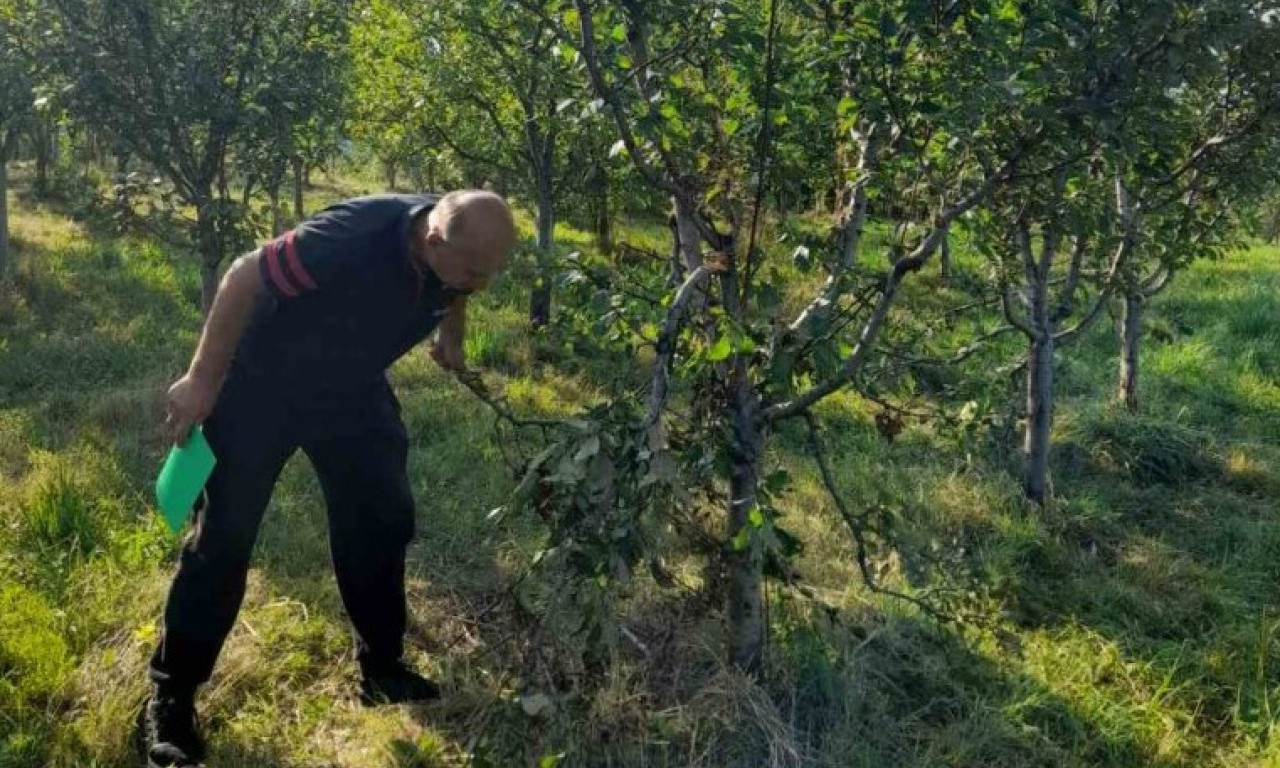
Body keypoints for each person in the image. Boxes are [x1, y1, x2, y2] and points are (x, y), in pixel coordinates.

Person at [140, 190, 516, 767]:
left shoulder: (454, 255)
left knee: (382, 517)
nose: (478, 285)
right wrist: (201, 380)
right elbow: (245, 276)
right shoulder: (352, 237)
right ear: (432, 238)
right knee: (225, 538)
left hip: (350, 388)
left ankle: (382, 668)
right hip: (261, 384)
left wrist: (453, 337)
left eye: (487, 275)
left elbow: (455, 287)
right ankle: (171, 699)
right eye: (471, 272)